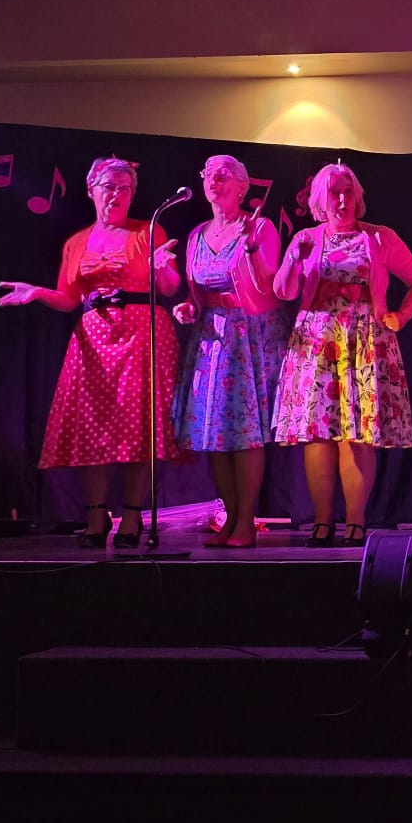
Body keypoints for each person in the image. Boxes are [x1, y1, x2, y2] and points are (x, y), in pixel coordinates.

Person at [0, 156, 184, 547]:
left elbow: (168, 287)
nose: (117, 194)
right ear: (91, 191)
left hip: (142, 333)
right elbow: (69, 298)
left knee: (138, 427)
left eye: (125, 189)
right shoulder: (77, 242)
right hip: (94, 336)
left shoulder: (147, 231)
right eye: (109, 187)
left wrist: (163, 267)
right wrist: (38, 293)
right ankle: (97, 516)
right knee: (91, 426)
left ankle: (131, 517)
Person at [271, 163, 412, 547]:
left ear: (357, 197)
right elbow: (283, 291)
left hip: (364, 341)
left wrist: (401, 316)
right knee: (318, 435)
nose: (342, 200)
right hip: (317, 341)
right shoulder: (307, 238)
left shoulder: (379, 237)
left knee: (357, 434)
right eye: (334, 193)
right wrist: (294, 258)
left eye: (348, 192)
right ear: (320, 200)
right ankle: (322, 522)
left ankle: (356, 522)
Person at [170, 155, 285, 548]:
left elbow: (269, 285)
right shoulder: (197, 234)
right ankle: (231, 518)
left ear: (242, 186)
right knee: (215, 433)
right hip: (211, 338)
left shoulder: (260, 228)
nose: (213, 181)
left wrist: (250, 247)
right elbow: (197, 293)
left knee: (245, 431)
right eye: (208, 174)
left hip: (250, 336)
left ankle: (246, 522)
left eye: (223, 175)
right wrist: (189, 308)